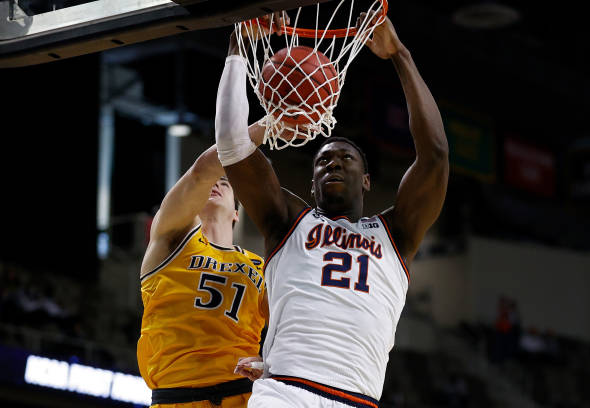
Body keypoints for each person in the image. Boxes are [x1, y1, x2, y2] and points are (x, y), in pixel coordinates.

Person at [218, 11, 449, 408]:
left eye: (345, 158)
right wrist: (239, 47)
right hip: (286, 390)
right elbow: (233, 146)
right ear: (311, 185)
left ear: (366, 180)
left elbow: (436, 157)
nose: (333, 163)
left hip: (356, 400)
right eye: (323, 161)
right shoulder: (290, 220)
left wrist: (400, 55)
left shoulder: (397, 233)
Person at [137, 121, 270, 407]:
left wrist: (272, 361)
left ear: (236, 213)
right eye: (214, 181)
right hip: (175, 396)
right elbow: (201, 173)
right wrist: (267, 126)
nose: (215, 184)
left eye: (224, 183)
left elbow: (291, 326)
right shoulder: (172, 236)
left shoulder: (261, 266)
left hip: (242, 395)